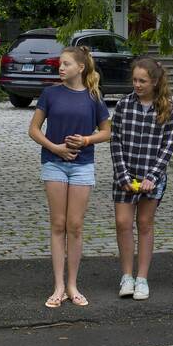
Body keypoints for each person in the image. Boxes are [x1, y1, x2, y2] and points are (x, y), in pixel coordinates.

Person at [28, 46, 112, 308]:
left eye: (65, 64)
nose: (60, 68)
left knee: (75, 226)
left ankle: (73, 284)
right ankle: (59, 286)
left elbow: (107, 132)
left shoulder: (93, 96)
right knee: (58, 224)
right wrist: (55, 148)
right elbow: (33, 129)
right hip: (54, 163)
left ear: (80, 67)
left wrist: (86, 140)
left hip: (82, 165)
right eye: (60, 64)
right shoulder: (50, 93)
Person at [111, 57, 173, 301]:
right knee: (122, 223)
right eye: (135, 80)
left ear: (155, 82)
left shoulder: (168, 107)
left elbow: (169, 145)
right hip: (125, 175)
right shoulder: (123, 105)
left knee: (145, 224)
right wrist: (123, 174)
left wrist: (153, 176)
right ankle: (126, 276)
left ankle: (142, 277)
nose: (137, 85)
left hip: (152, 177)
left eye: (143, 81)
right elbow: (115, 140)